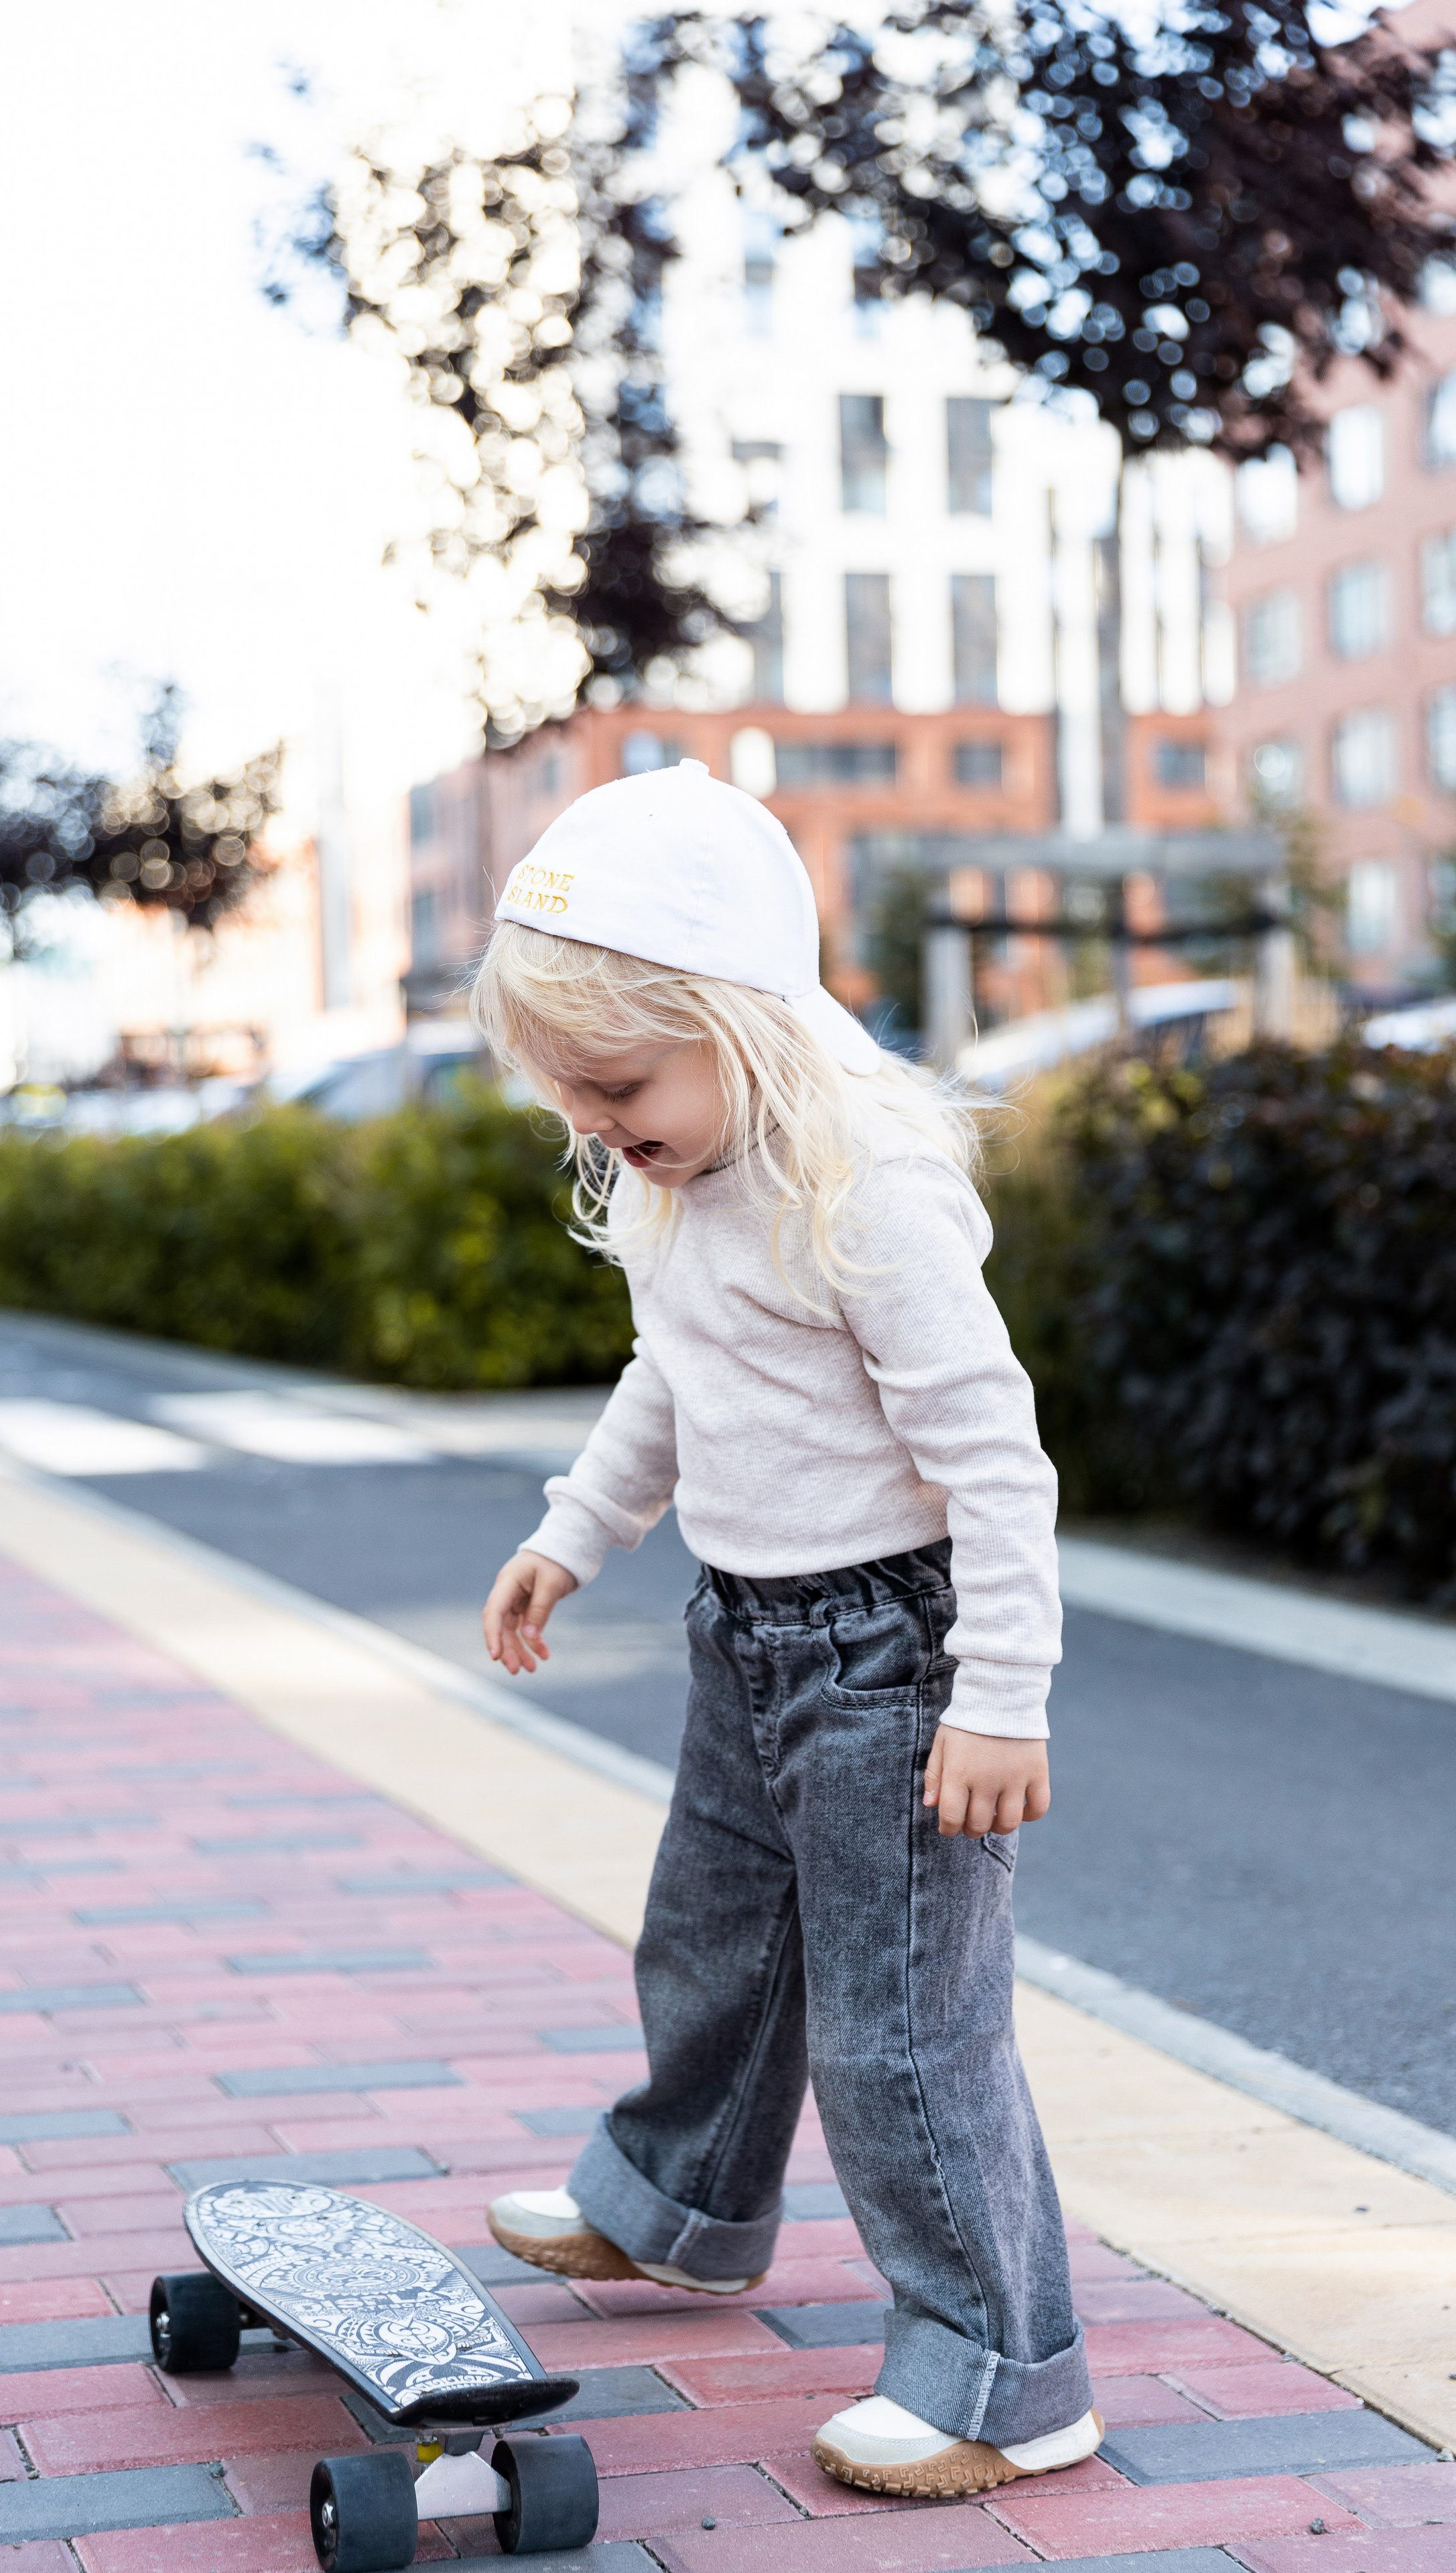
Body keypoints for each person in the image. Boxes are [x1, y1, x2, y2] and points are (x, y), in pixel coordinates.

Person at [469, 758, 1099, 2501]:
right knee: (713, 1946)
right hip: (744, 1633)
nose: (596, 1125)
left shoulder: (868, 1184)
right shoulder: (683, 1178)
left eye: (617, 1083)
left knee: (907, 2029)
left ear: (741, 1023)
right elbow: (674, 1374)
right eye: (569, 1096)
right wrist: (571, 1534)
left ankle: (1004, 2375)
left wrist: (1002, 1698)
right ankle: (681, 2208)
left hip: (901, 1657)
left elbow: (998, 1457)